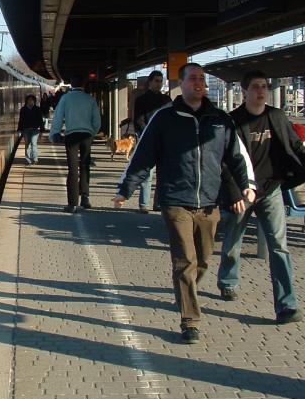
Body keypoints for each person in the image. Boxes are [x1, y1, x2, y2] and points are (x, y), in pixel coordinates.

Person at [113, 62, 256, 344]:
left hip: (209, 202)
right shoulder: (164, 117)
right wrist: (125, 189)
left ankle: (186, 291)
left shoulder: (220, 119)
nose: (199, 83)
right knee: (185, 260)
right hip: (175, 200)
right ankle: (190, 320)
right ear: (181, 84)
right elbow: (143, 155)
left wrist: (247, 186)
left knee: (203, 259)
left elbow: (237, 156)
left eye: (202, 78)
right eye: (193, 79)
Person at [217, 70, 305, 324]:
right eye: (255, 87)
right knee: (233, 238)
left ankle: (287, 305)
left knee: (279, 246)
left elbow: (294, 145)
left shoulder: (276, 116)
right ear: (244, 91)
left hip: (271, 189)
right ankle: (228, 280)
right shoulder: (232, 121)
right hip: (243, 191)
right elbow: (224, 160)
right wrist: (234, 191)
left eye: (264, 86)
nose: (261, 91)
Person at [49, 73, 101, 212]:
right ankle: (85, 198)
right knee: (85, 166)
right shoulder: (90, 99)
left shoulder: (66, 98)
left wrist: (54, 133)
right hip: (86, 135)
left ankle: (72, 204)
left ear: (71, 84)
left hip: (72, 135)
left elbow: (58, 117)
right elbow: (97, 121)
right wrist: (92, 133)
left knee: (73, 170)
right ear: (83, 84)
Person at [132, 70, 172, 213]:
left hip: (163, 140)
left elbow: (171, 120)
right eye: (156, 80)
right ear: (149, 82)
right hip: (147, 139)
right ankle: (144, 204)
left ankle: (158, 203)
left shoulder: (167, 100)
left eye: (160, 81)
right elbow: (138, 119)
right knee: (147, 173)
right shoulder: (142, 100)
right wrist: (147, 135)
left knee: (162, 173)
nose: (159, 84)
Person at [17, 94, 44, 165]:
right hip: (26, 129)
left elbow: (40, 120)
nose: (30, 102)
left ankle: (35, 159)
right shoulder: (23, 109)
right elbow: (21, 120)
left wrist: (42, 130)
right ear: (26, 101)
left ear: (34, 101)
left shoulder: (37, 109)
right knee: (27, 144)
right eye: (29, 100)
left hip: (35, 129)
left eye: (32, 100)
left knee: (33, 143)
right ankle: (28, 160)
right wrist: (19, 129)